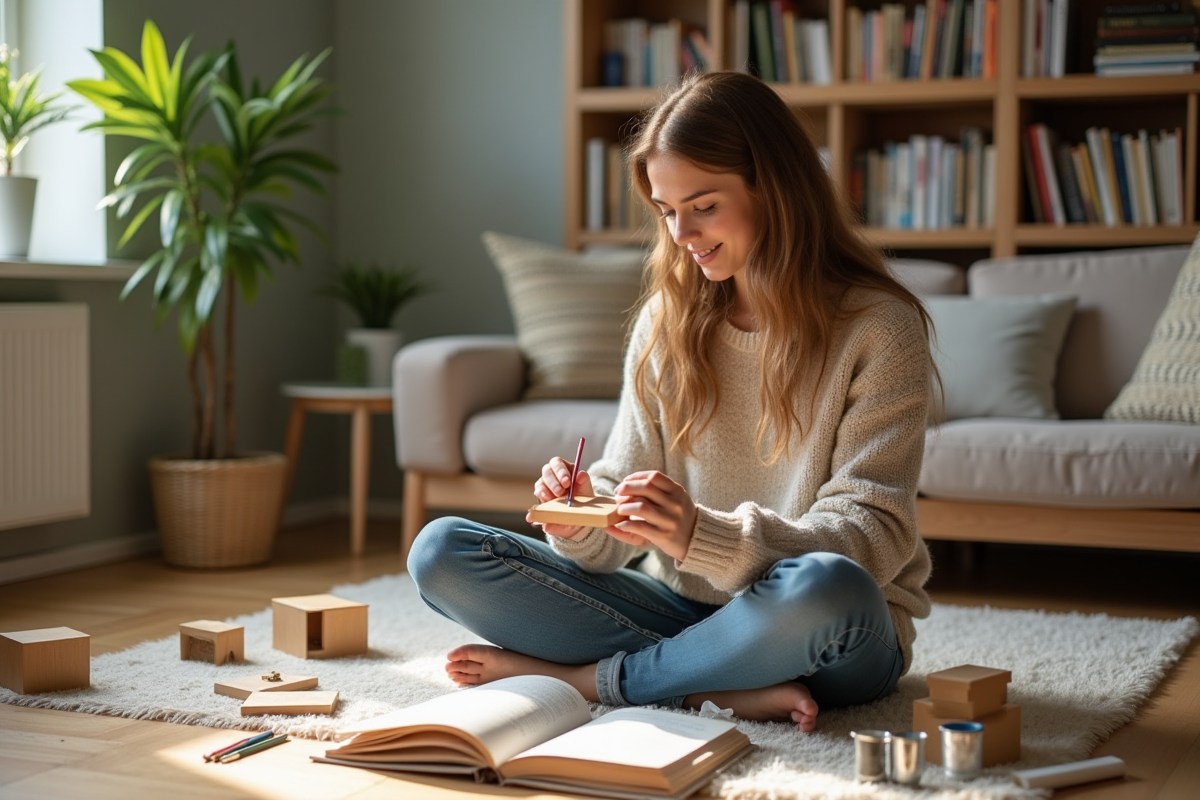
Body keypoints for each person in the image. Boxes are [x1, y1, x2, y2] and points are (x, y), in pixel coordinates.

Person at [407, 70, 935, 732]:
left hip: (823, 631)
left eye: (704, 205)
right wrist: (580, 518)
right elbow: (620, 502)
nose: (682, 232)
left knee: (827, 587)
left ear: (774, 188)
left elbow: (872, 537)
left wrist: (698, 535)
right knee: (441, 552)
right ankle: (705, 682)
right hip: (686, 610)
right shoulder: (668, 321)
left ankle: (597, 682)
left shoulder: (880, 328)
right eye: (666, 210)